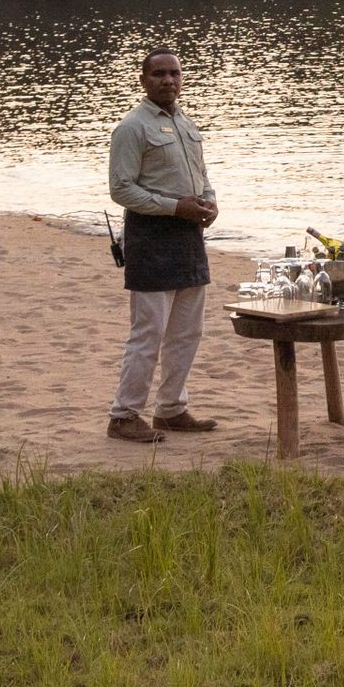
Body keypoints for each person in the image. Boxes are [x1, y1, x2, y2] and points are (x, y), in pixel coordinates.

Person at [105, 45, 219, 444]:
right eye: (159, 74)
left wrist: (210, 201)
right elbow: (121, 189)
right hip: (150, 239)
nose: (168, 80)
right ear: (143, 80)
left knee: (187, 332)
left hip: (189, 237)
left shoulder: (186, 123)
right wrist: (174, 207)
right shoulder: (132, 127)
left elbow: (202, 175)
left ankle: (170, 409)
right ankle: (124, 416)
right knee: (148, 334)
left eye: (174, 73)